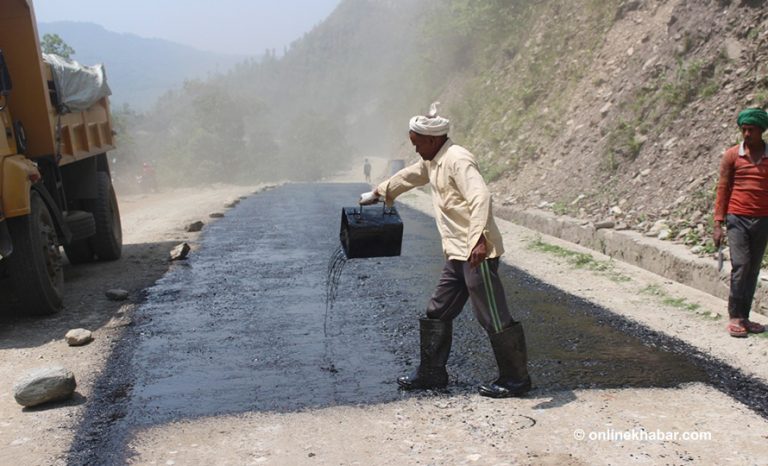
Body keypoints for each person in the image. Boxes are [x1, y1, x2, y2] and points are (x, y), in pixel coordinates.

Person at [359, 102, 531, 398]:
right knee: (437, 311)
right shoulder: (432, 159)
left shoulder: (457, 159)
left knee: (493, 315)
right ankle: (432, 373)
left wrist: (479, 239)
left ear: (433, 139)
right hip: (456, 253)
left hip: (477, 254)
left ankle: (516, 379)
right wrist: (379, 192)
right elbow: (410, 175)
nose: (414, 149)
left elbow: (480, 196)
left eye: (416, 143)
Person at [714, 107, 768, 338]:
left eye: (751, 130)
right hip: (737, 218)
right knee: (741, 266)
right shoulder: (732, 155)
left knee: (753, 269)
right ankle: (734, 316)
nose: (746, 134)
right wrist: (718, 222)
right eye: (744, 130)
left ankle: (745, 317)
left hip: (763, 219)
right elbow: (723, 188)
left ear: (761, 131)